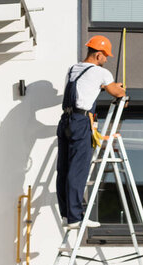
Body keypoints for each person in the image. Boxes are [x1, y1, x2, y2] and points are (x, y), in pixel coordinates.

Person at [56, 35, 126, 229]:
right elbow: (118, 93)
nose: (107, 59)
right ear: (98, 54)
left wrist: (104, 87)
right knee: (78, 170)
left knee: (63, 169)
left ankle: (67, 215)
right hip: (80, 122)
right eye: (105, 56)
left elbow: (83, 89)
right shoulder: (100, 73)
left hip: (65, 121)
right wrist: (119, 88)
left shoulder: (73, 69)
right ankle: (76, 217)